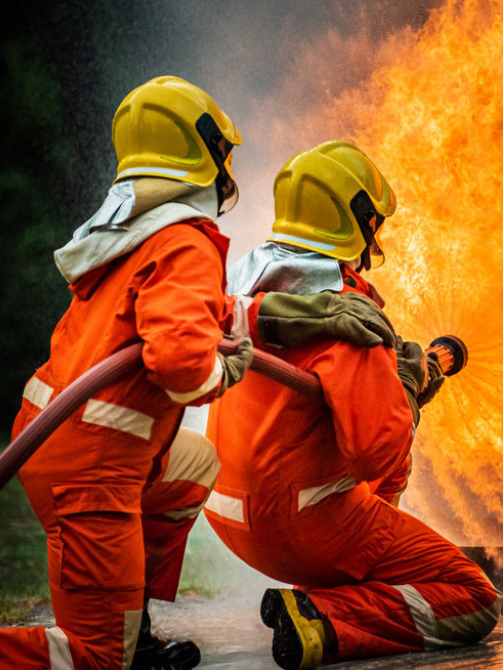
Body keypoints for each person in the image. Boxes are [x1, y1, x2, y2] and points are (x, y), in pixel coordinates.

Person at [0, 78, 396, 670]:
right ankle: (115, 646)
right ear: (204, 154)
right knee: (91, 659)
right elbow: (181, 365)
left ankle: (133, 628)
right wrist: (223, 367)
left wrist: (283, 312)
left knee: (193, 467)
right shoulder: (185, 242)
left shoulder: (128, 237)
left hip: (59, 445)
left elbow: (189, 311)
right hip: (92, 472)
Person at [204, 141, 503, 670]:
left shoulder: (242, 289)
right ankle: (320, 618)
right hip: (301, 530)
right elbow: (378, 455)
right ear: (357, 220)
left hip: (227, 516)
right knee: (472, 597)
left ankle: (326, 593)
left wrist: (388, 380)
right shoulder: (345, 315)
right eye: (374, 223)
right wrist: (407, 386)